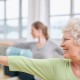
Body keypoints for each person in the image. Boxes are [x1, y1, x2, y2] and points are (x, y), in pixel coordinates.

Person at [0, 21, 67, 80]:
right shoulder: (32, 45)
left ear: (39, 31)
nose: (31, 33)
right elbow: (15, 44)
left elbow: (65, 54)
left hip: (48, 77)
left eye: (32, 30)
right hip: (36, 77)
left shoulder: (52, 44)